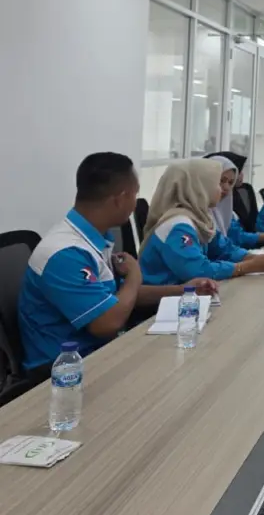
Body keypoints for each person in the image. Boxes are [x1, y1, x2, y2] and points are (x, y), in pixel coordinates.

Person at [17, 153, 218, 373]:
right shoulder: (64, 253)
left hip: (99, 353)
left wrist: (184, 290)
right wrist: (134, 276)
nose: (135, 203)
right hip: (63, 372)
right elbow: (107, 323)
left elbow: (116, 299)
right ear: (120, 199)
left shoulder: (92, 239)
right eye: (135, 194)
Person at [139, 159, 264, 285]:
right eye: (217, 183)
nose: (224, 189)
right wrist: (246, 267)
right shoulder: (178, 226)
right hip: (162, 303)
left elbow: (224, 249)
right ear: (199, 187)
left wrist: (257, 259)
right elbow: (198, 271)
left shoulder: (199, 218)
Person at [209, 155, 264, 248]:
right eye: (221, 180)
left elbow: (232, 243)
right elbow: (236, 241)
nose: (226, 187)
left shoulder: (227, 211)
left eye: (231, 182)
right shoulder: (201, 217)